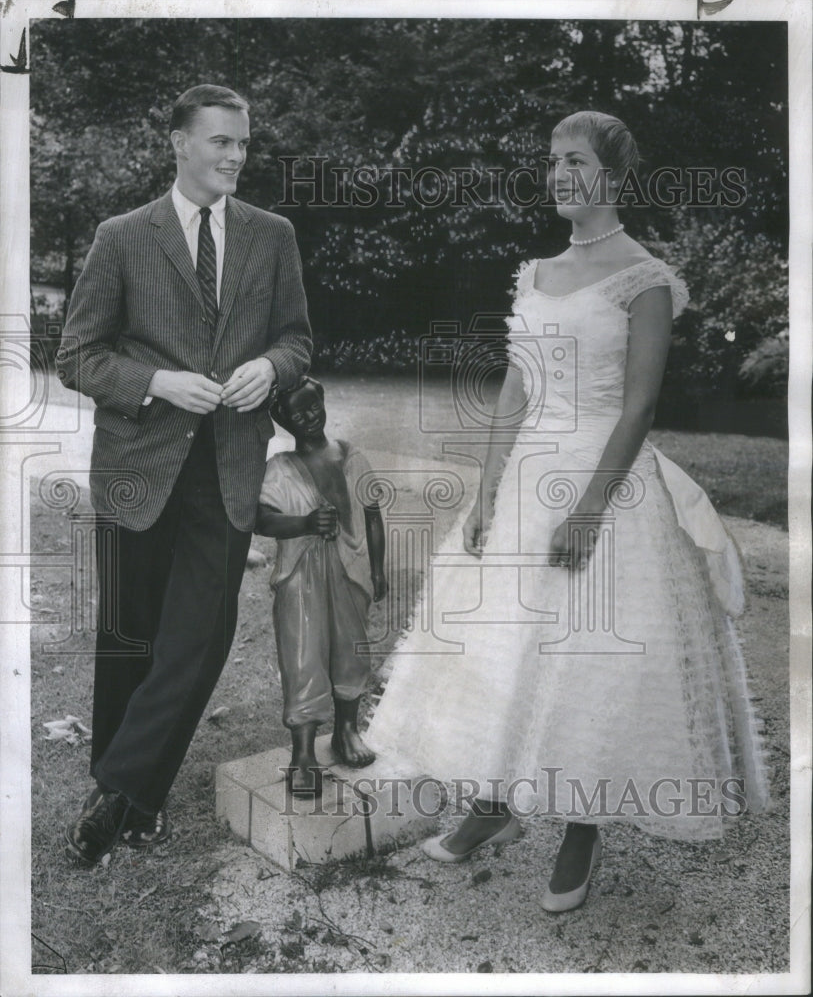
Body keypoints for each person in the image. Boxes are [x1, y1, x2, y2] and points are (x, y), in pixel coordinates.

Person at [365, 111, 770, 912]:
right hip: (524, 475)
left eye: (574, 161)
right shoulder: (535, 272)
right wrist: (486, 491)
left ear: (612, 177)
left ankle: (581, 824)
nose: (557, 174)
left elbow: (639, 406)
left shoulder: (645, 278)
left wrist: (589, 510)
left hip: (603, 483)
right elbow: (515, 389)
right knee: (500, 650)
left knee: (585, 661)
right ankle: (492, 808)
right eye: (551, 161)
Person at [56, 84, 312, 865]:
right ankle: (137, 798)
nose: (235, 156)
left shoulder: (272, 236)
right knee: (129, 636)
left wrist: (268, 368)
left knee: (199, 637)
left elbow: (298, 341)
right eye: (220, 142)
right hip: (139, 463)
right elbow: (75, 357)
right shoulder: (123, 236)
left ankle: (117, 788)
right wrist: (158, 382)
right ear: (178, 142)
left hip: (228, 466)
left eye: (242, 143)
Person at [255, 376, 387, 798]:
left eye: (312, 407)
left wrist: (379, 569)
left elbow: (372, 515)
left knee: (352, 648)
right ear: (284, 422)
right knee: (303, 654)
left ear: (323, 401)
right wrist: (304, 524)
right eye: (296, 414)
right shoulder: (279, 469)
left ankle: (346, 730)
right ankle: (303, 752)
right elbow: (260, 521)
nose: (308, 418)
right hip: (300, 575)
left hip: (350, 569)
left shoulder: (351, 456)